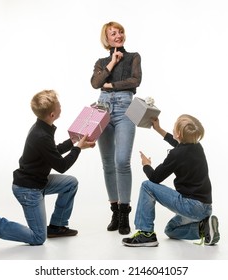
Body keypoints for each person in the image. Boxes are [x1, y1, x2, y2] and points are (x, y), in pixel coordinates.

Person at [0, 89, 95, 246]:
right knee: (38, 237)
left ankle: (57, 226)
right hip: (28, 190)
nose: (61, 106)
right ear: (52, 114)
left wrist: (73, 141)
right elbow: (61, 165)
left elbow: (52, 152)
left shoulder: (43, 127)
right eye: (59, 105)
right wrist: (78, 148)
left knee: (70, 183)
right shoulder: (42, 135)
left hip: (39, 181)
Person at [122, 114, 220, 247]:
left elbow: (154, 178)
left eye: (174, 127)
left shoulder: (176, 155)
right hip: (205, 208)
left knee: (147, 186)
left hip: (190, 206)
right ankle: (204, 229)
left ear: (178, 134)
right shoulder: (197, 147)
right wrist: (158, 129)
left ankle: (145, 234)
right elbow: (178, 143)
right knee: (170, 231)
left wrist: (146, 165)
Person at [90, 21, 142, 235]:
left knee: (122, 161)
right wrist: (111, 63)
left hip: (125, 109)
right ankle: (114, 210)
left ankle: (124, 212)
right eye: (113, 33)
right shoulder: (102, 61)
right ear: (107, 38)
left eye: (120, 31)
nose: (118, 35)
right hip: (102, 108)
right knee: (107, 163)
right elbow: (95, 84)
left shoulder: (133, 57)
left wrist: (111, 85)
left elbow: (135, 81)